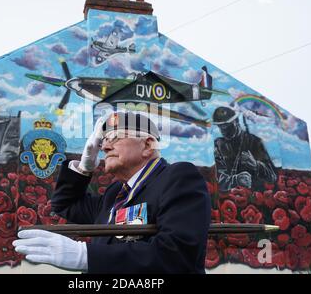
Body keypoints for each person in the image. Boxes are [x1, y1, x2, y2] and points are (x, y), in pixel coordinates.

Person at [13, 111, 211, 273]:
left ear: (147, 145)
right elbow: (65, 205)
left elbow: (176, 255)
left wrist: (86, 256)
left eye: (115, 138)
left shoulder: (177, 177)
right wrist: (84, 166)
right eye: (104, 140)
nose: (105, 146)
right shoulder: (116, 192)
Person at [212, 106, 277, 192]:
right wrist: (236, 180)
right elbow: (219, 181)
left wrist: (256, 165)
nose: (224, 131)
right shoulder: (219, 145)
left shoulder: (255, 142)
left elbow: (272, 177)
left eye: (227, 126)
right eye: (220, 127)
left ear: (236, 121)